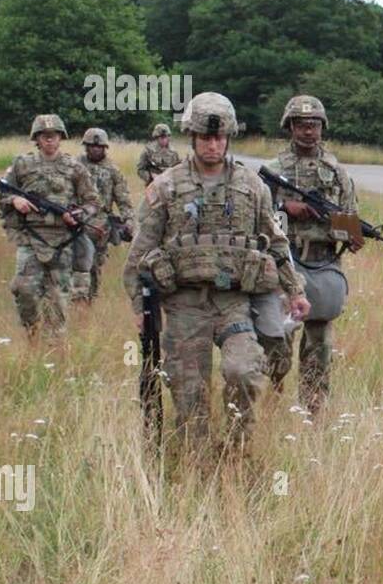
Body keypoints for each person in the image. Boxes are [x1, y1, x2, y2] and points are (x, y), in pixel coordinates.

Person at [123, 92, 309, 447]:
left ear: (228, 137)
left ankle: (237, 449)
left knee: (243, 372)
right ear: (192, 138)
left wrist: (295, 291)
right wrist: (138, 307)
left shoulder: (251, 186)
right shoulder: (166, 186)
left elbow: (276, 241)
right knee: (189, 390)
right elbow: (139, 252)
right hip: (184, 305)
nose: (212, 144)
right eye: (205, 137)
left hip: (233, 301)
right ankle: (197, 459)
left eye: (219, 137)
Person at [259, 95, 359, 416]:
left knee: (319, 346)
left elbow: (351, 218)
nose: (308, 132)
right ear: (289, 127)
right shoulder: (272, 172)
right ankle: (271, 397)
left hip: (323, 261)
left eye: (314, 125)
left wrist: (351, 234)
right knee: (278, 338)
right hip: (284, 261)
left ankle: (313, 408)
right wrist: (285, 207)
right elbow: (256, 216)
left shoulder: (337, 172)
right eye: (301, 125)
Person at [0, 115, 99, 337]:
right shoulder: (22, 164)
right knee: (23, 289)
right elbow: (1, 192)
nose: (49, 141)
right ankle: (32, 331)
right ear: (37, 138)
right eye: (45, 137)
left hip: (63, 242)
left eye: (53, 136)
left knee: (58, 297)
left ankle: (54, 345)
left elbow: (92, 202)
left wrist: (78, 215)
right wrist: (15, 200)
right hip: (30, 239)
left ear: (60, 137)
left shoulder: (75, 168)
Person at [71, 127, 134, 302]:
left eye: (99, 146)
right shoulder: (75, 166)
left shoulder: (113, 171)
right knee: (76, 262)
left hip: (100, 226)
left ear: (105, 148)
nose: (95, 149)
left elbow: (124, 199)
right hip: (76, 220)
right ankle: (77, 298)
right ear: (86, 146)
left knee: (94, 265)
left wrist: (129, 221)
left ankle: (90, 299)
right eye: (91, 146)